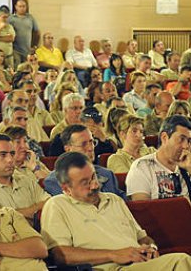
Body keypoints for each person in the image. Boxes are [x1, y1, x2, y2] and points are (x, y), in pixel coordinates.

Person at [41, 151, 191, 270]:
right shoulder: (57, 205)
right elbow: (60, 255)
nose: (94, 185)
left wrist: (150, 248)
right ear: (66, 189)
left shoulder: (114, 200)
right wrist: (113, 255)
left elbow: (143, 238)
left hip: (139, 263)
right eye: (85, 183)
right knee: (181, 261)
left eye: (94, 177)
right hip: (107, 267)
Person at [45, 124, 125, 199]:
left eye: (91, 142)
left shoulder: (107, 174)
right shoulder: (55, 181)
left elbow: (122, 203)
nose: (90, 148)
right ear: (68, 149)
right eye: (83, 144)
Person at [0, 134, 51, 219]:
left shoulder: (26, 180)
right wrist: (35, 209)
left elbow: (49, 203)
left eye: (12, 154)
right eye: (3, 155)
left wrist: (13, 214)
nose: (10, 160)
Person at [127, 115, 191, 201]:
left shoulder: (187, 166)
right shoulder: (142, 166)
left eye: (189, 141)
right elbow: (142, 209)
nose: (186, 146)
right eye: (181, 139)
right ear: (164, 138)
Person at [8, 0, 40, 68]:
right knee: (18, 69)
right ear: (16, 7)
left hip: (28, 50)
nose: (22, 8)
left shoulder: (30, 18)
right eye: (20, 6)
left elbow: (37, 32)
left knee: (28, 69)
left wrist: (34, 46)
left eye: (24, 6)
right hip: (15, 50)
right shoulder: (11, 19)